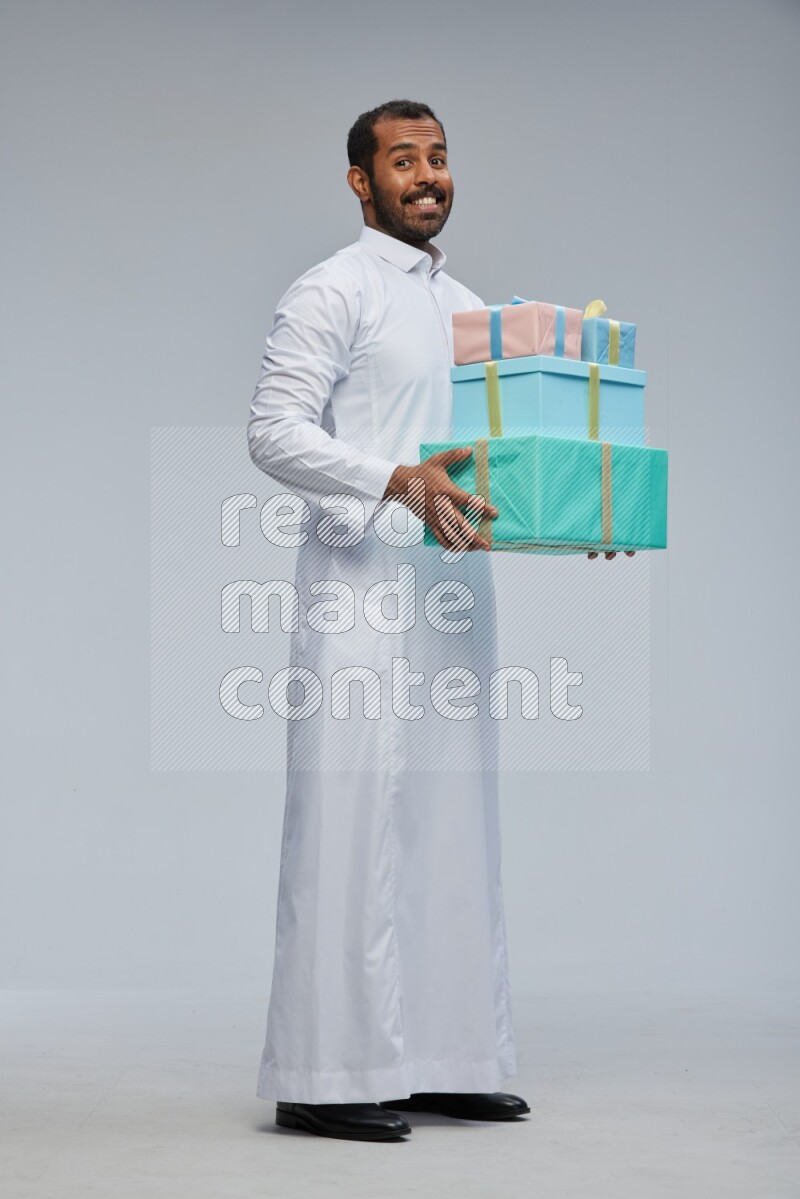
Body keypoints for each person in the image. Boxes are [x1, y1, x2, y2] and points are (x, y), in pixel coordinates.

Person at [248, 99, 622, 1143]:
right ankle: (324, 1069)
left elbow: (491, 460)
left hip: (452, 592)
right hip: (359, 582)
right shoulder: (331, 289)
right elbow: (271, 428)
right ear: (361, 183)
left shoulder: (469, 312)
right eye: (401, 160)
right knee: (350, 820)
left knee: (451, 818)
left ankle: (447, 1055)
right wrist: (389, 481)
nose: (426, 175)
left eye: (439, 158)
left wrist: (576, 515)